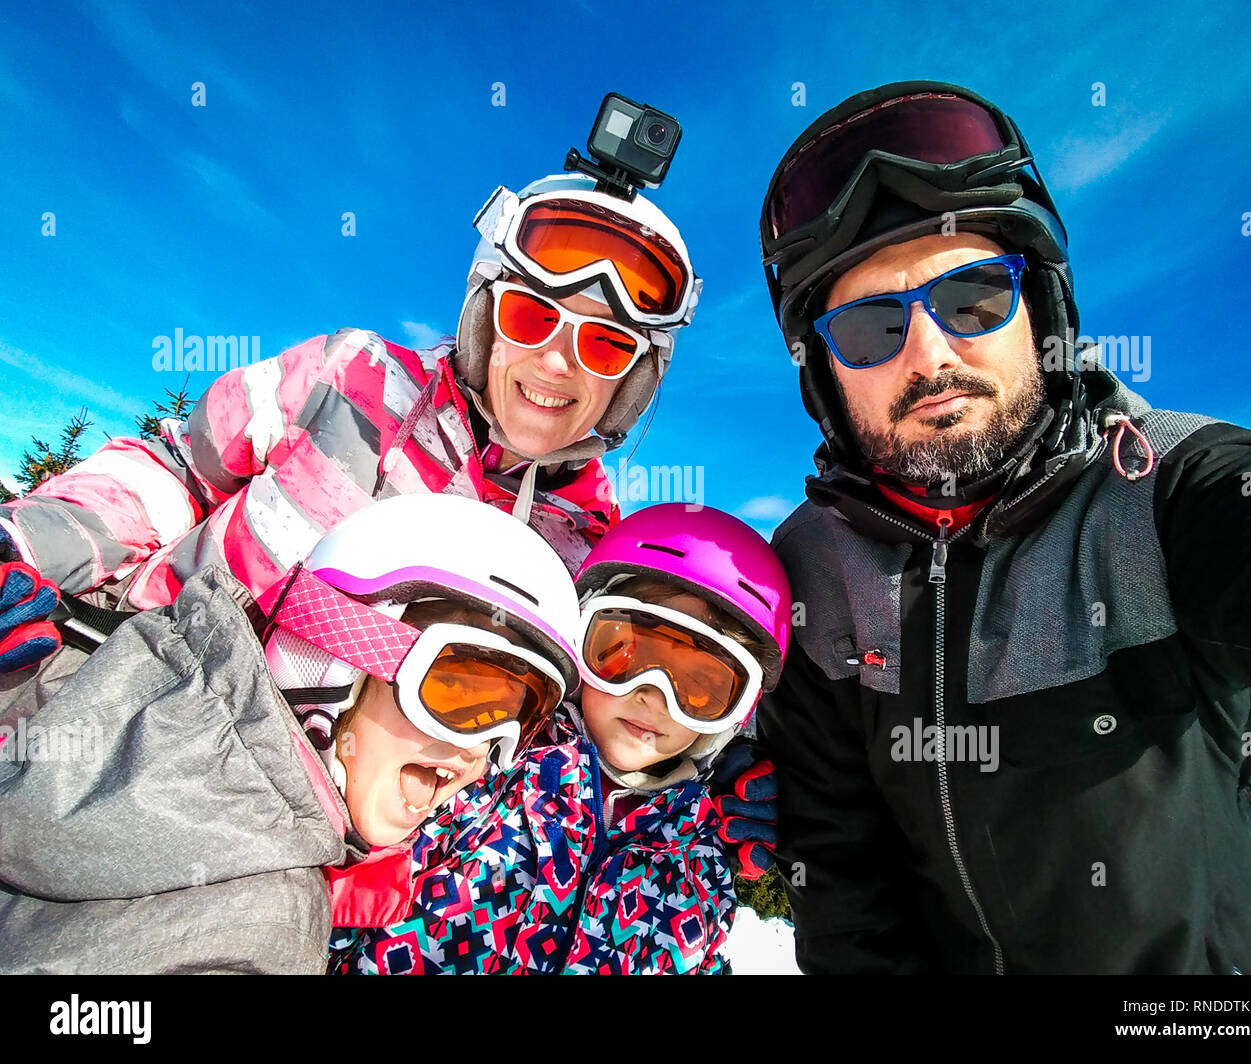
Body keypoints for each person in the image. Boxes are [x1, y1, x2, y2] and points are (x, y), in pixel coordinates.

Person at [753, 81, 1251, 974]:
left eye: (972, 299)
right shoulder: (816, 575)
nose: (930, 356)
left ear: (1039, 309)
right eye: (869, 329)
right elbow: (845, 888)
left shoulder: (1170, 490)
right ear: (827, 380)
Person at [0, 168, 700, 660]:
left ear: (633, 383)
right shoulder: (354, 377)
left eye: (605, 345)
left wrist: (692, 770)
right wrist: (36, 543)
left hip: (329, 838)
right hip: (127, 671)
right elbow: (179, 471)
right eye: (530, 317)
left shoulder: (588, 548)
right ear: (485, 318)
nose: (555, 363)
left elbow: (577, 704)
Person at [0, 494, 582, 973]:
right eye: (463, 690)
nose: (484, 750)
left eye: (520, 719)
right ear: (332, 655)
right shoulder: (70, 662)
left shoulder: (266, 936)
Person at [329, 503, 793, 974]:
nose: (652, 696)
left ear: (731, 716)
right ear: (576, 638)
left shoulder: (702, 864)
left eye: (700, 689)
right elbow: (338, 901)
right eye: (624, 654)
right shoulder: (487, 768)